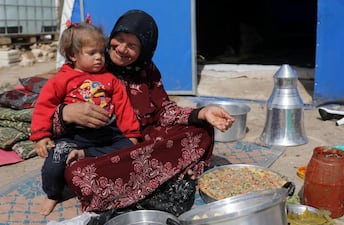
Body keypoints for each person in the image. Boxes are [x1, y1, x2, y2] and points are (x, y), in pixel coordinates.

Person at [53, 9, 235, 213]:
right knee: (76, 172)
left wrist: (200, 113)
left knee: (201, 131)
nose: (121, 49)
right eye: (118, 39)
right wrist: (66, 113)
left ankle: (133, 188)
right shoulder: (89, 60)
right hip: (98, 145)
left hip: (143, 141)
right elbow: (46, 109)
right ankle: (164, 179)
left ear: (145, 50)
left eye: (132, 45)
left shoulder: (147, 69)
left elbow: (164, 110)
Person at [30, 20, 141, 216]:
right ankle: (53, 194)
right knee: (53, 163)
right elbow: (44, 106)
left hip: (107, 132)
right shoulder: (62, 79)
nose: (99, 57)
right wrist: (41, 135)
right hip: (74, 136)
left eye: (101, 52)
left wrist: (131, 134)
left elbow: (123, 107)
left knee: (131, 149)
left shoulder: (110, 79)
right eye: (92, 53)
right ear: (73, 55)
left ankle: (87, 153)